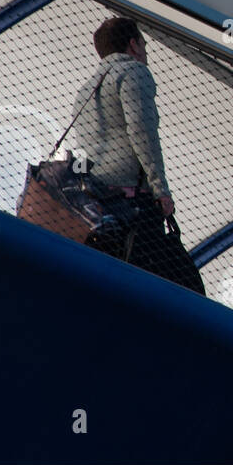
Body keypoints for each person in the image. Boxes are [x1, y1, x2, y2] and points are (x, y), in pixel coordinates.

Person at [72, 17, 204, 294]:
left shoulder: (85, 91)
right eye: (144, 43)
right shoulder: (133, 72)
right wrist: (160, 190)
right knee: (157, 282)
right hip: (133, 202)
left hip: (97, 204)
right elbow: (142, 133)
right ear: (133, 44)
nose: (146, 50)